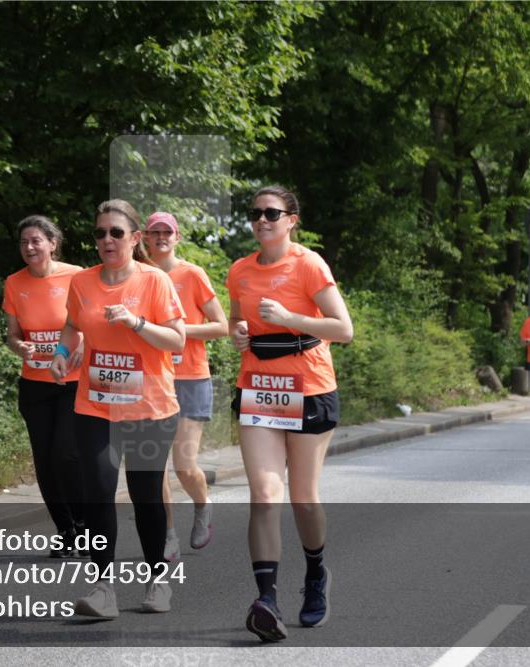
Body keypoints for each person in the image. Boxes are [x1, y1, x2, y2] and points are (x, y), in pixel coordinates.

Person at [226, 186, 353, 641]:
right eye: (256, 213)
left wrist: (290, 316)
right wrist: (239, 333)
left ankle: (316, 573)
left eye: (272, 213)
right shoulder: (239, 270)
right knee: (263, 494)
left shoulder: (308, 264)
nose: (262, 220)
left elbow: (343, 329)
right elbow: (236, 321)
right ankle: (267, 601)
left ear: (291, 219)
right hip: (260, 385)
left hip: (309, 385)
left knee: (303, 498)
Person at [50, 199, 185, 618]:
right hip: (95, 405)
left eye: (116, 233)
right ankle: (103, 587)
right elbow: (73, 323)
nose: (106, 240)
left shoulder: (155, 281)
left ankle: (157, 579)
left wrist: (135, 323)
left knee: (146, 497)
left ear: (135, 238)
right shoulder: (83, 282)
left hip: (150, 408)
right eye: (99, 233)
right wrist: (62, 351)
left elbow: (177, 340)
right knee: (98, 495)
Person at [143, 211, 228, 561]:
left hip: (190, 378)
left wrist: (176, 331)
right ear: (144, 238)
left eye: (168, 231)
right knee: (154, 466)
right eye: (154, 232)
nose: (161, 237)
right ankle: (168, 536)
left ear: (177, 237)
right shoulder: (138, 276)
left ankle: (203, 503)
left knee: (183, 465)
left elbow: (221, 325)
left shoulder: (192, 274)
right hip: (149, 380)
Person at [2, 216, 86, 557]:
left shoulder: (77, 276)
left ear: (53, 243)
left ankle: (84, 524)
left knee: (66, 453)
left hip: (72, 381)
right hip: (34, 384)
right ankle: (64, 529)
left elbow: (88, 322)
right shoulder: (14, 283)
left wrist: (81, 346)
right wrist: (18, 346)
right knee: (45, 461)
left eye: (36, 240)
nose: (30, 248)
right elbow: (12, 334)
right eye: (24, 242)